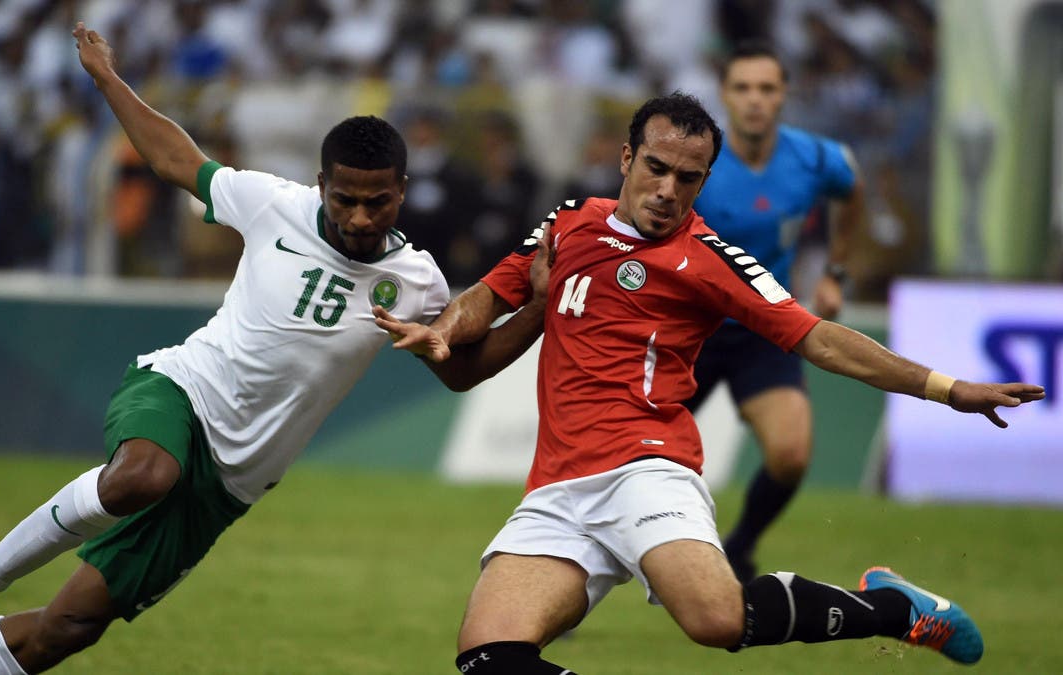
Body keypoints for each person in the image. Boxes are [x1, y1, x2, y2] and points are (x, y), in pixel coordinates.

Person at [0, 22, 548, 674]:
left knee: (64, 630)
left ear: (400, 192)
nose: (360, 218)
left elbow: (461, 371)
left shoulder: (416, 281)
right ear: (322, 186)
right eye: (346, 199)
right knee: (144, 473)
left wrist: (541, 309)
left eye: (378, 202)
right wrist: (109, 79)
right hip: (181, 390)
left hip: (232, 482)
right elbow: (177, 159)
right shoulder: (271, 204)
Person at [377, 93, 1044, 673]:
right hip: (557, 486)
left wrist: (947, 387)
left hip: (645, 466)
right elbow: (487, 297)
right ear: (626, 159)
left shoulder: (710, 259)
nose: (668, 190)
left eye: (688, 178)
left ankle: (893, 606)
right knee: (488, 655)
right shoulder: (570, 221)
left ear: (704, 182)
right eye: (657, 168)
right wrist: (443, 330)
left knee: (715, 621)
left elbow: (819, 337)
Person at [684, 40, 867, 582]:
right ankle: (570, 574)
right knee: (619, 456)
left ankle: (737, 550)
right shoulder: (698, 161)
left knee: (790, 454)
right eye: (743, 88)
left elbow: (852, 195)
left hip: (766, 328)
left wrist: (835, 274)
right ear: (725, 96)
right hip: (687, 331)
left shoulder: (814, 158)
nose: (755, 100)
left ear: (784, 94)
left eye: (767, 88)